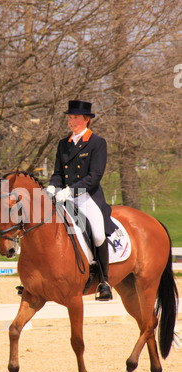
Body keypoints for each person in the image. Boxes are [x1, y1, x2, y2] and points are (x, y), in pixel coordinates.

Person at [47, 100, 116, 300]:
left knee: (97, 234)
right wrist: (53, 185)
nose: (72, 121)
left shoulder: (97, 143)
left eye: (76, 117)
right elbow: (58, 172)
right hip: (63, 196)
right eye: (69, 118)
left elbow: (95, 176)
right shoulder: (63, 144)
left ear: (86, 120)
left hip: (87, 197)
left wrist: (70, 191)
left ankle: (104, 282)